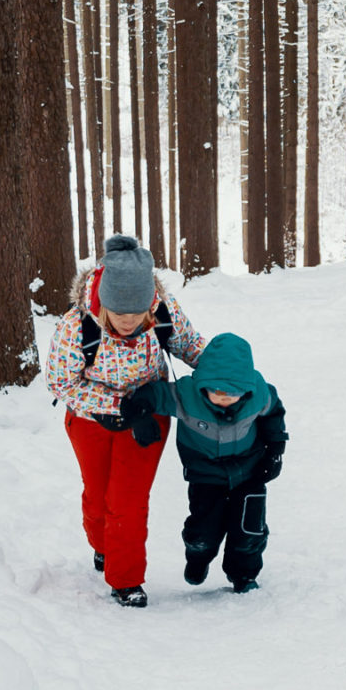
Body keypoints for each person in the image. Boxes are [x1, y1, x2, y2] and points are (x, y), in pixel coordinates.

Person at [44, 234, 205, 607]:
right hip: (89, 419)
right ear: (104, 306)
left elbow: (190, 345)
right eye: (121, 315)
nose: (131, 322)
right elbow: (61, 381)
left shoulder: (162, 309)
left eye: (139, 315)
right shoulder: (76, 326)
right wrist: (116, 405)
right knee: (98, 496)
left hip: (147, 415)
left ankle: (125, 578)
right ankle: (103, 547)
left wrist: (227, 372)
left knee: (128, 501)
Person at [124, 333, 287, 593]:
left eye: (231, 394)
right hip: (205, 474)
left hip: (250, 471)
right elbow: (150, 394)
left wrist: (276, 450)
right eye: (216, 392)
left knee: (250, 530)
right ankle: (198, 558)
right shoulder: (187, 395)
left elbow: (274, 414)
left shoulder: (258, 393)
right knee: (203, 532)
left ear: (245, 388)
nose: (223, 398)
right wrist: (140, 415)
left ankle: (243, 576)